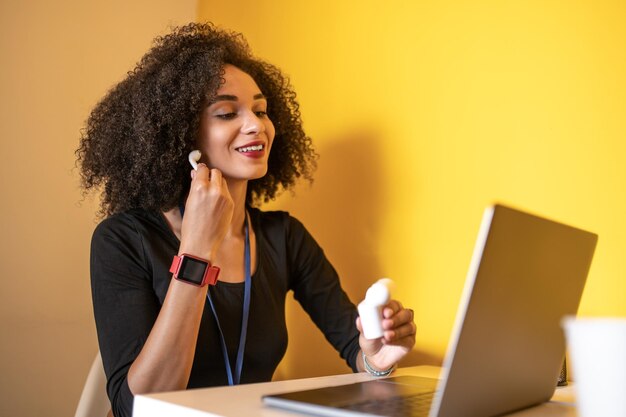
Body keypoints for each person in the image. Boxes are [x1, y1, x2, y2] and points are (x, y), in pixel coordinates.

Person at [76, 22, 416, 417]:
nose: (256, 125)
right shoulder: (124, 239)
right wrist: (198, 248)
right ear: (179, 138)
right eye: (226, 112)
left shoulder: (284, 237)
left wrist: (377, 357)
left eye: (261, 109)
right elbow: (137, 405)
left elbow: (355, 349)